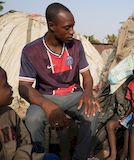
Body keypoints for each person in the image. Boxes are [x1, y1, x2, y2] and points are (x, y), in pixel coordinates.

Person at [18, 3, 99, 160]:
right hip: (45, 97)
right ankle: (40, 156)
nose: (72, 31)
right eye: (67, 27)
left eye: (73, 26)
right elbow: (23, 87)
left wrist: (88, 93)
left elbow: (87, 76)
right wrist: (48, 106)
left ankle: (79, 157)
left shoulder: (76, 46)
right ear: (52, 26)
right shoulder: (31, 50)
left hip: (73, 94)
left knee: (93, 112)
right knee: (33, 119)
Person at [0, 67, 59, 160]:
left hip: (23, 156)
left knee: (52, 158)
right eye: (5, 85)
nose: (10, 87)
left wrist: (24, 154)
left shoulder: (10, 114)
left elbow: (25, 138)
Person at [106, 57, 134, 160]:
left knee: (129, 129)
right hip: (132, 115)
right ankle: (113, 154)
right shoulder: (131, 85)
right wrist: (125, 117)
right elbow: (132, 104)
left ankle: (123, 156)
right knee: (110, 125)